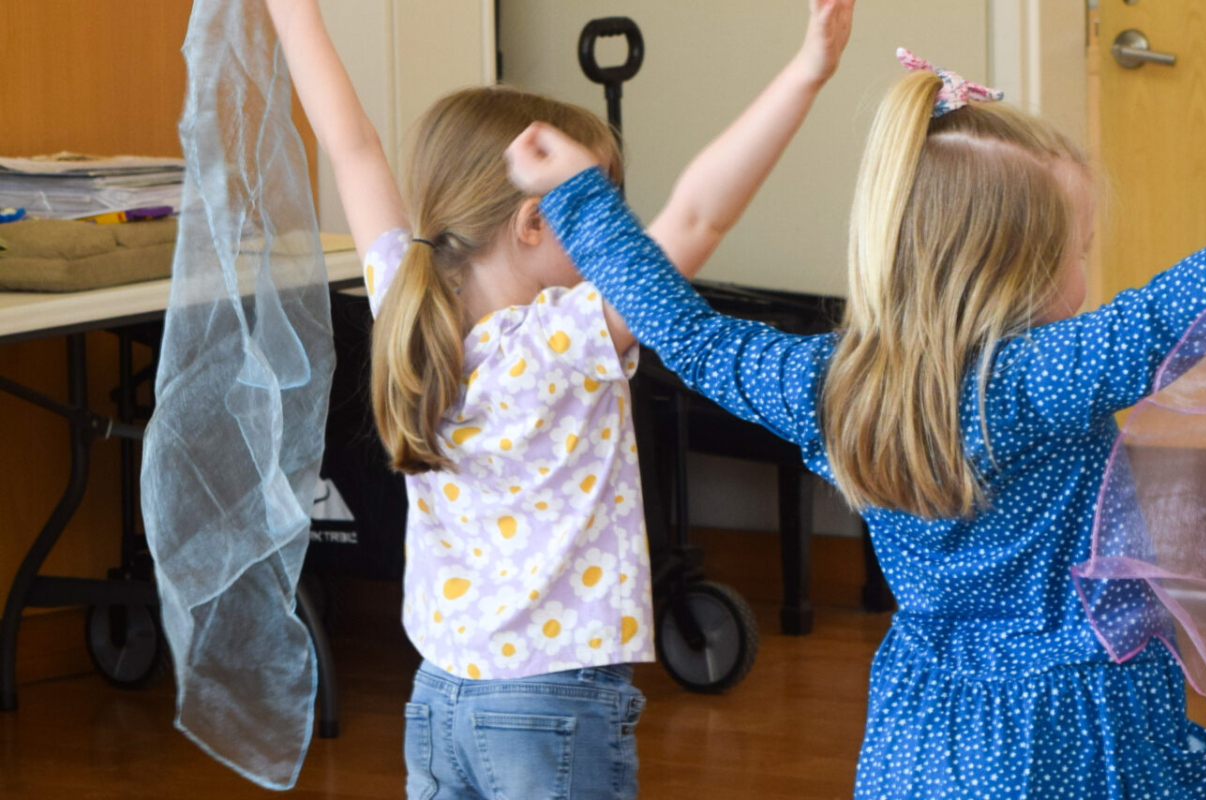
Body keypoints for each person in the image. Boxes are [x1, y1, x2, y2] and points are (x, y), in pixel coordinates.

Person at [500, 50, 1206, 799]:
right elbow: (1171, 309)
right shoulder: (1039, 378)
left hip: (928, 716)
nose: (1091, 279)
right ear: (1013, 276)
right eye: (1079, 255)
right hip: (1079, 709)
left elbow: (690, 336)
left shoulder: (830, 386)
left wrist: (582, 199)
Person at [261, 0, 856, 797]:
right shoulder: (563, 340)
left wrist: (294, 16)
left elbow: (353, 147)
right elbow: (700, 215)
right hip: (553, 704)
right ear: (539, 222)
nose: (615, 235)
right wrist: (806, 72)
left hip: (439, 697)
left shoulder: (408, 307)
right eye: (596, 209)